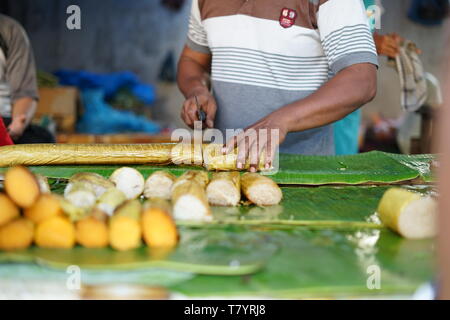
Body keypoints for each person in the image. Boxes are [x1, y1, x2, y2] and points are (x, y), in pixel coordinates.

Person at [178, 0, 378, 170]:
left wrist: (282, 121)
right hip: (224, 167)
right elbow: (193, 60)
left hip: (301, 175)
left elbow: (361, 79)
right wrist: (197, 90)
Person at [334, 0, 406, 155]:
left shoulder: (372, 3)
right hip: (326, 92)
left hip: (351, 98)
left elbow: (370, 30)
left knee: (344, 159)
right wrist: (369, 42)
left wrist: (384, 42)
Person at [0, 14, 54, 144]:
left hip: (4, 122)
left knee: (43, 138)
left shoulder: (10, 30)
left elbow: (24, 93)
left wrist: (17, 125)